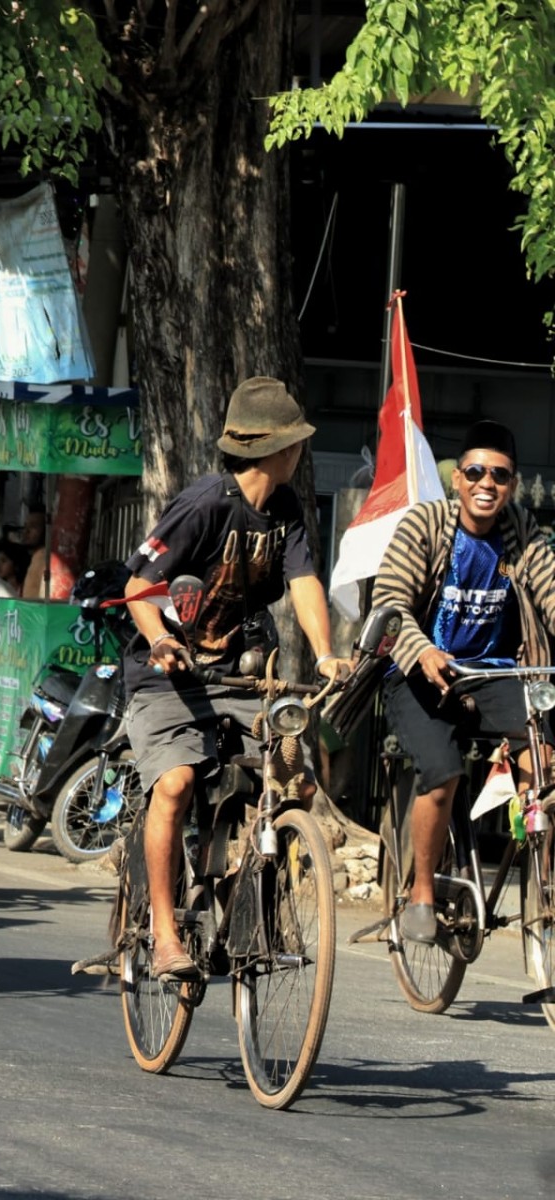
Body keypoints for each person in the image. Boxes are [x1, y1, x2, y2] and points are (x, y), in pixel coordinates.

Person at [122, 377, 348, 979]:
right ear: (278, 448)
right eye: (296, 441)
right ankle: (165, 933)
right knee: (173, 785)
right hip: (167, 674)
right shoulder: (204, 504)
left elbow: (303, 582)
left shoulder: (287, 511)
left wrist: (325, 654)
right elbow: (138, 588)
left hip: (245, 676)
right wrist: (164, 639)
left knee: (290, 777)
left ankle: (251, 906)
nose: (300, 451)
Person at [372, 419, 555, 944]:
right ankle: (422, 893)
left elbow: (549, 589)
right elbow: (389, 603)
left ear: (514, 484)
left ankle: (542, 880)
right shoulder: (424, 524)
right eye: (475, 471)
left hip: (493, 672)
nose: (487, 483)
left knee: (543, 757)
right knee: (442, 770)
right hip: (419, 671)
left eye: (500, 475)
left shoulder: (520, 529)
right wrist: (422, 648)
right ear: (457, 479)